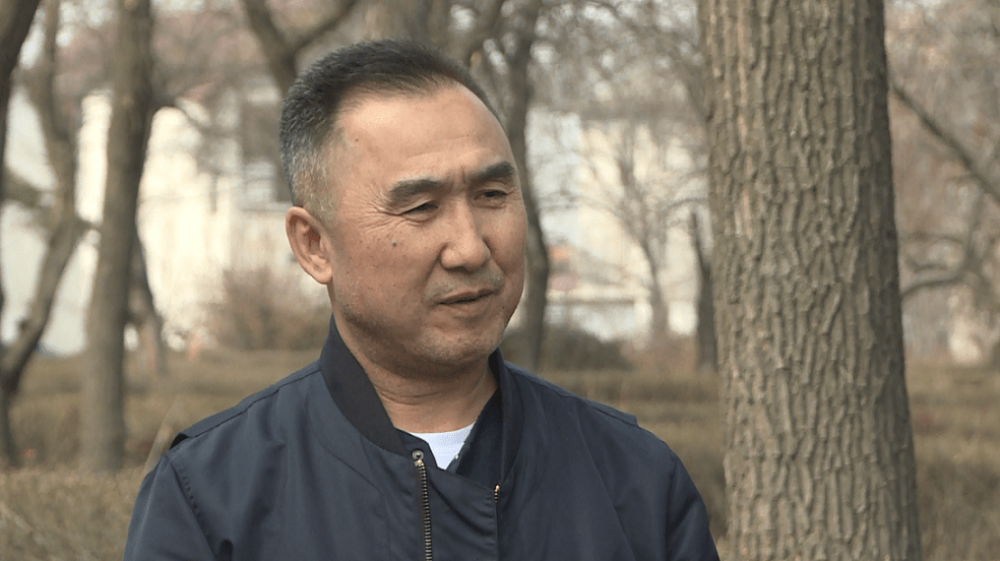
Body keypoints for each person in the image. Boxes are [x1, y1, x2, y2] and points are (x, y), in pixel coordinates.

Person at [123, 39, 720, 561]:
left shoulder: (634, 481)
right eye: (421, 207)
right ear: (313, 245)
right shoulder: (213, 496)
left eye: (491, 194)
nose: (470, 248)